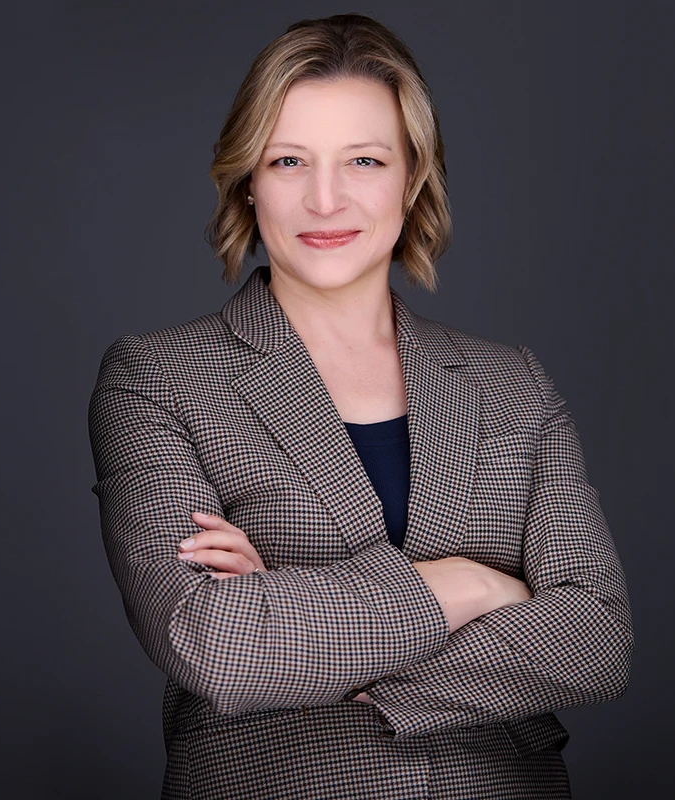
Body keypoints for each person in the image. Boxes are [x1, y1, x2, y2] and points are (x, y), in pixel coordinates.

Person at [88, 13, 633, 799]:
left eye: (365, 160)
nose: (325, 198)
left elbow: (594, 642)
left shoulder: (514, 385)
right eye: (288, 161)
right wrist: (472, 587)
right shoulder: (157, 379)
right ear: (248, 177)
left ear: (412, 179)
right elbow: (218, 646)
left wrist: (299, 617)